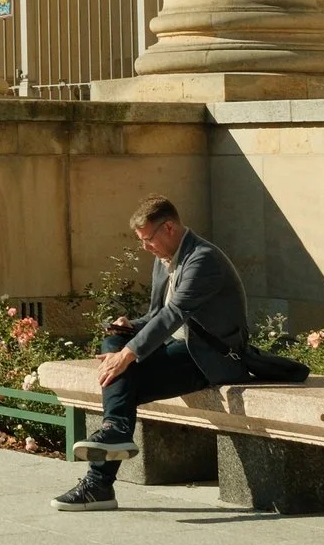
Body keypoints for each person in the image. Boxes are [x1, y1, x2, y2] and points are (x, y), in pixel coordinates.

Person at [53, 195, 284, 511]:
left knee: (122, 374)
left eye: (148, 239)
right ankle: (114, 436)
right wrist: (129, 327)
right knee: (114, 343)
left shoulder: (203, 260)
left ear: (170, 228)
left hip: (208, 358)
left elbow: (174, 313)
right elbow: (156, 314)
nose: (146, 247)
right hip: (177, 349)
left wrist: (130, 354)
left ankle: (100, 478)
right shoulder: (164, 261)